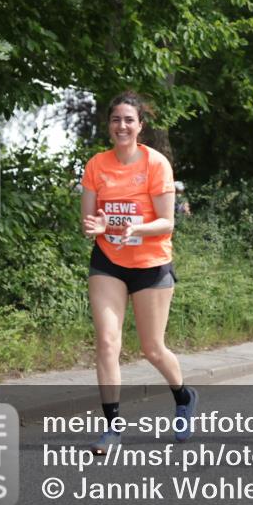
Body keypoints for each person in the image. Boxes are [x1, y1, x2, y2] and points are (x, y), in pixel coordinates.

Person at [80, 91, 196, 454]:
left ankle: (183, 396)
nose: (122, 126)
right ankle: (112, 428)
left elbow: (167, 221)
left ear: (140, 126)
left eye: (129, 120)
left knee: (152, 348)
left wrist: (136, 229)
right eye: (116, 119)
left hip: (151, 264)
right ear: (109, 125)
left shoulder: (156, 163)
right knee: (107, 343)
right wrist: (96, 226)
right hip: (109, 261)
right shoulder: (96, 165)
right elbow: (88, 221)